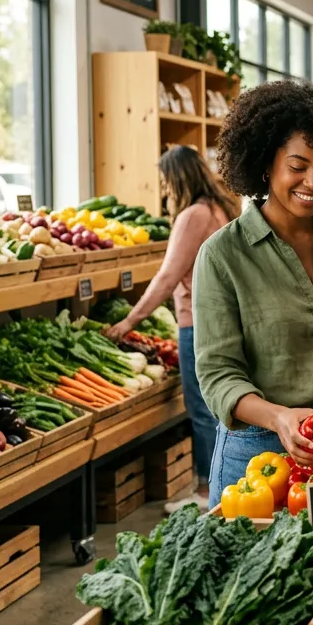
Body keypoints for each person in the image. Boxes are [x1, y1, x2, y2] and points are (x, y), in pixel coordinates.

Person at [193, 82, 313, 508]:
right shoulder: (223, 254)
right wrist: (278, 417)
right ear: (266, 164)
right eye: (297, 166)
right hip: (257, 450)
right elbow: (218, 375)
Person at [104, 146, 238, 511]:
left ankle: (208, 494)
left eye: (165, 181)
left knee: (202, 410)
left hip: (197, 323)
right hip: (221, 320)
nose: (163, 189)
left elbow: (168, 276)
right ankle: (223, 489)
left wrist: (130, 321)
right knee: (218, 409)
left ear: (176, 179)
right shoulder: (220, 208)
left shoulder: (193, 215)